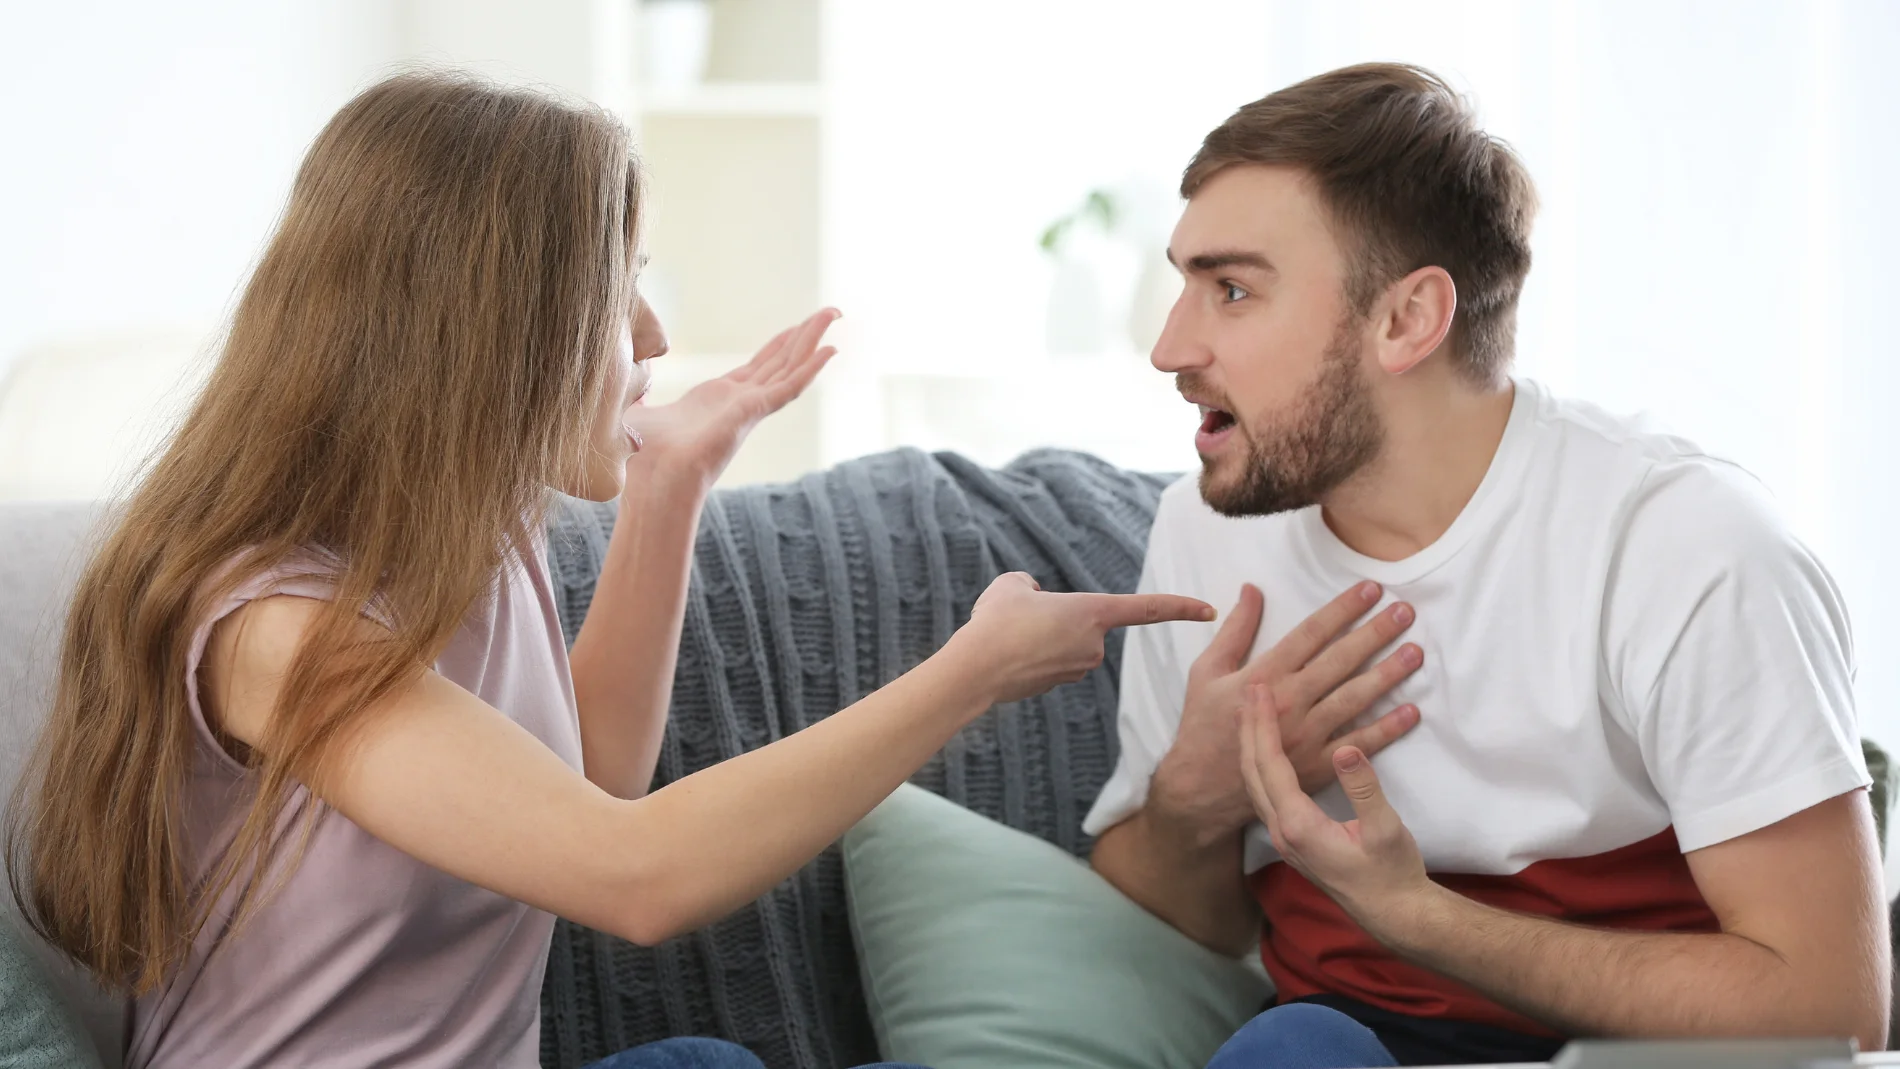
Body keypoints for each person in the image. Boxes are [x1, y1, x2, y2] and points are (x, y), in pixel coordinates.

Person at [3, 72, 1220, 1069]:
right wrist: (967, 674)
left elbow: (586, 783)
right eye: (620, 285)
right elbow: (632, 876)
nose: (650, 337)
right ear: (492, 329)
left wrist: (670, 488)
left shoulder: (479, 533)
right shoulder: (277, 626)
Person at [1086, 62, 1889, 1067]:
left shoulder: (1685, 547)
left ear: (1406, 319)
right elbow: (1170, 926)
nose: (1169, 345)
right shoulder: (1208, 528)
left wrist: (1419, 918)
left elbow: (1830, 1006)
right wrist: (1197, 796)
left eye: (1232, 289)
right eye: (1183, 283)